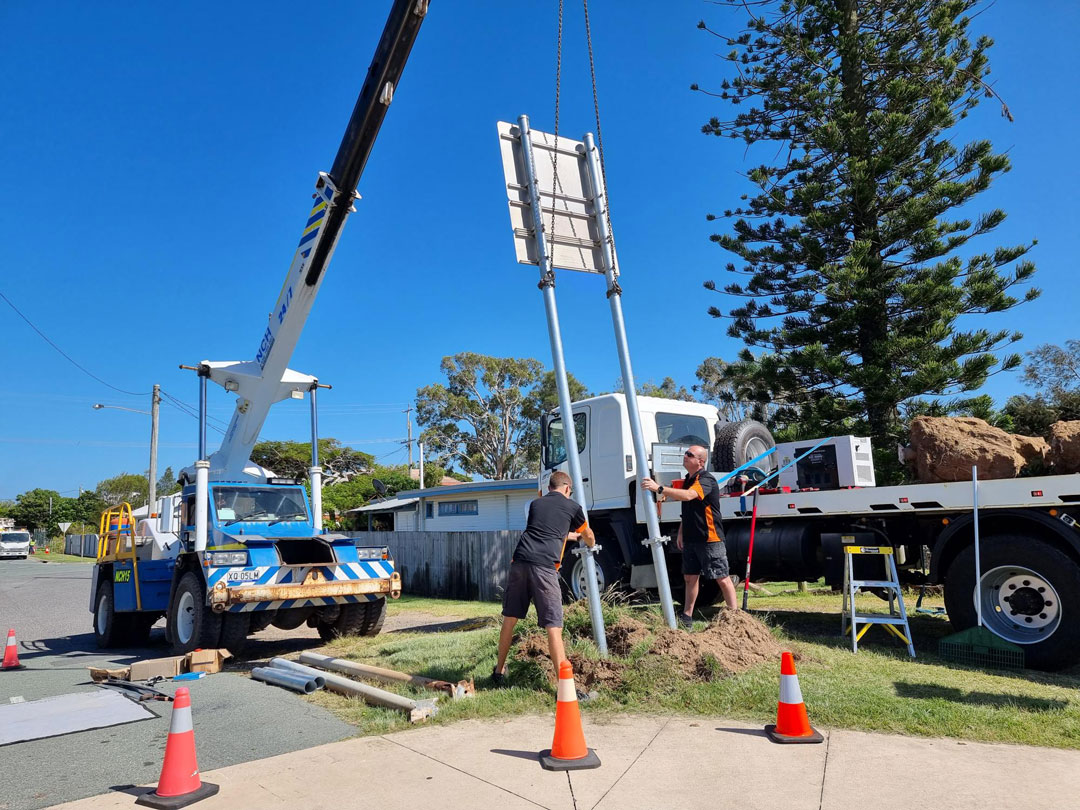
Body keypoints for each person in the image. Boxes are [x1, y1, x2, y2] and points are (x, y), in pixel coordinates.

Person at [492, 470, 595, 684]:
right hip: (545, 567)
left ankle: (498, 672)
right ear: (568, 488)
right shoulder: (573, 507)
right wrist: (590, 543)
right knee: (554, 626)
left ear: (549, 488)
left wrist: (572, 536)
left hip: (520, 561)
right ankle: (564, 686)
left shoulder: (536, 504)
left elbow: (549, 530)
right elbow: (588, 535)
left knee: (510, 619)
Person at [641, 445, 737, 629]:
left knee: (722, 578)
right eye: (685, 453)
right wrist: (681, 531)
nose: (685, 456)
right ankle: (687, 617)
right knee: (690, 578)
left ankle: (735, 619)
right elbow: (689, 509)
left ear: (700, 461)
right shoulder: (688, 479)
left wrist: (659, 488)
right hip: (691, 539)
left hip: (710, 538)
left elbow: (689, 496)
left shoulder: (706, 479)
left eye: (689, 454)